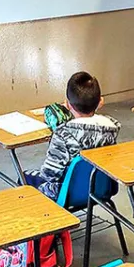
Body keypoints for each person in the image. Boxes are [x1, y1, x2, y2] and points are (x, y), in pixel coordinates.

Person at [25, 72, 121, 200]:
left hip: (65, 194)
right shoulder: (112, 128)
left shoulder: (63, 134)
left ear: (67, 104)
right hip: (102, 190)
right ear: (100, 101)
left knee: (24, 178)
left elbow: (49, 174)